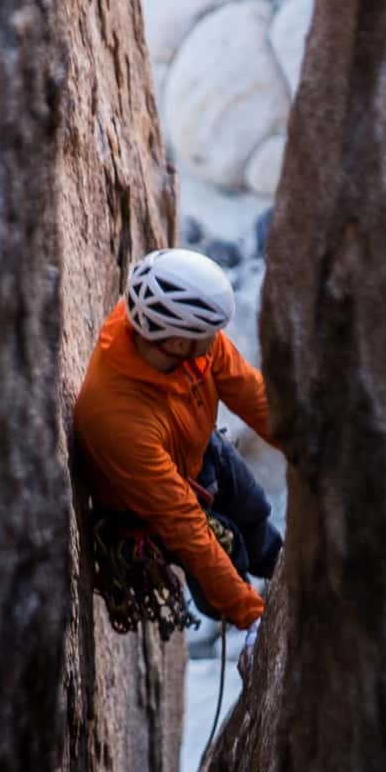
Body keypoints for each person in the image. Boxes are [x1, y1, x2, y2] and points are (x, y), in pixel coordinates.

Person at [75, 248, 283, 631]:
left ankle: (281, 568)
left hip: (197, 450)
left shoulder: (177, 336)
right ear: (174, 344)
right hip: (153, 505)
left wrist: (310, 450)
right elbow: (185, 526)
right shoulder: (117, 418)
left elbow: (250, 393)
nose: (215, 339)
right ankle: (248, 609)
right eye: (207, 333)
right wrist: (251, 617)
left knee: (253, 509)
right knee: (229, 551)